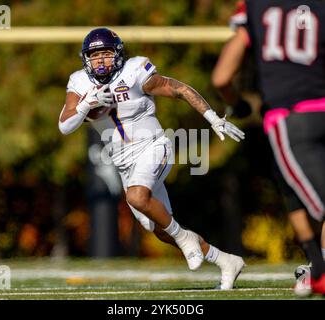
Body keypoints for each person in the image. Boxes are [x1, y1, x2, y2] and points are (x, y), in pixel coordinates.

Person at [58, 27, 246, 289]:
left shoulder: (134, 72)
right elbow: (65, 125)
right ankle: (225, 260)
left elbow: (177, 88)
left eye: (106, 53)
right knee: (157, 227)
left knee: (136, 197)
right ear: (85, 58)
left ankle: (185, 240)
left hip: (153, 146)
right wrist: (86, 104)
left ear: (118, 54)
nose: (101, 60)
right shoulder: (80, 83)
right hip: (124, 163)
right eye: (95, 55)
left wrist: (212, 117)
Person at [211, 0, 325, 295]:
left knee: (304, 194)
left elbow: (222, 76)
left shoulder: (257, 6)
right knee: (306, 193)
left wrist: (236, 103)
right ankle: (319, 269)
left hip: (290, 117)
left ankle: (320, 268)